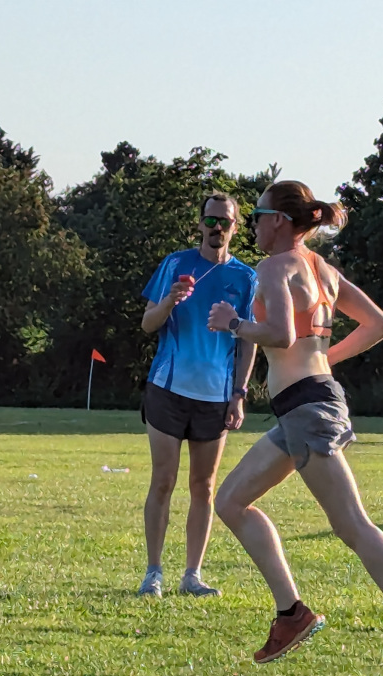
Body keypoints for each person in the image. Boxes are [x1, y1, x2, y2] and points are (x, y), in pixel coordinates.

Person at [207, 181, 383, 676]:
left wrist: (233, 324)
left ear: (279, 220)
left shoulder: (274, 267)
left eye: (256, 215)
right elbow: (378, 324)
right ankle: (291, 613)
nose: (252, 224)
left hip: (307, 411)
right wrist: (324, 361)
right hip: (306, 406)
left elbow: (280, 335)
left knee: (353, 526)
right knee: (230, 501)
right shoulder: (322, 268)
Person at [137, 193, 258, 598]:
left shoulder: (246, 278)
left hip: (215, 397)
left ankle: (193, 574)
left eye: (225, 221)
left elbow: (249, 341)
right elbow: (147, 325)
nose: (216, 227)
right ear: (201, 223)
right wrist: (171, 299)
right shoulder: (176, 264)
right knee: (163, 482)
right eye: (211, 219)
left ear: (235, 227)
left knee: (203, 487)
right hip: (168, 389)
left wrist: (239, 394)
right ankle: (154, 572)